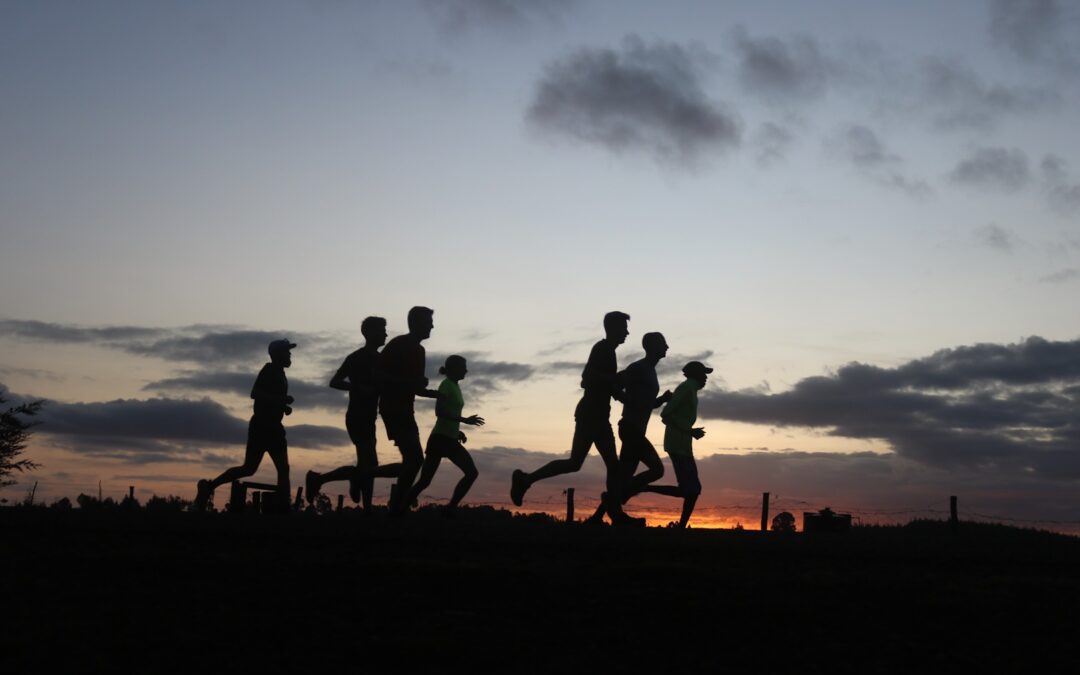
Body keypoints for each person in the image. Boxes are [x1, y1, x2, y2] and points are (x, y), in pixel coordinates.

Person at [510, 311, 641, 525]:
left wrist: (623, 394)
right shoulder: (603, 349)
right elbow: (587, 379)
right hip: (590, 416)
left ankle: (613, 514)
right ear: (613, 328)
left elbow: (603, 385)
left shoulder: (608, 351)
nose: (627, 332)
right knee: (575, 463)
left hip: (599, 416)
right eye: (624, 328)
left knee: (611, 466)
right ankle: (525, 479)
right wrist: (616, 380)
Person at [355, 306, 440, 515]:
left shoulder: (420, 351)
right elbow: (379, 377)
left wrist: (432, 393)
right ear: (417, 323)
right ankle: (393, 503)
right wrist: (412, 382)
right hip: (393, 409)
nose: (432, 326)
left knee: (413, 461)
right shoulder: (398, 344)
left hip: (406, 410)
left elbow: (415, 388)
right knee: (414, 460)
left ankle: (394, 504)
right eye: (429, 322)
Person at [306, 316, 397, 510]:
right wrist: (358, 388)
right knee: (369, 465)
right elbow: (335, 381)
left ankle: (325, 480)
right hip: (357, 417)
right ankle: (365, 505)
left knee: (367, 466)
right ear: (369, 333)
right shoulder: (356, 357)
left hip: (369, 418)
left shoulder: (382, 360)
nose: (385, 334)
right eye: (381, 330)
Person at [194, 339, 296, 511]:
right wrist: (281, 400)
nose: (290, 354)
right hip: (263, 427)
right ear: (277, 355)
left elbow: (267, 398)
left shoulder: (279, 372)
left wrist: (283, 407)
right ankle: (209, 487)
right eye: (286, 351)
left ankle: (283, 506)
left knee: (280, 468)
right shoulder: (269, 370)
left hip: (273, 427)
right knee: (251, 468)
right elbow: (255, 394)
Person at [586, 332, 672, 524]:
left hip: (636, 430)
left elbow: (646, 404)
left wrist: (662, 400)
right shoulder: (639, 368)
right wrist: (624, 398)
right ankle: (616, 498)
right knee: (657, 470)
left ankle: (598, 516)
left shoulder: (650, 370)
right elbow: (614, 383)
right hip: (630, 429)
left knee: (622, 477)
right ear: (652, 346)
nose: (667, 347)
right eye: (663, 344)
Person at [405, 355, 485, 516]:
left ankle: (447, 509)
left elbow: (450, 413)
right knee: (426, 480)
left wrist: (457, 431)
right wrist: (464, 420)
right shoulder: (446, 385)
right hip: (440, 439)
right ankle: (402, 505)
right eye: (463, 367)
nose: (466, 370)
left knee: (470, 473)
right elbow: (439, 412)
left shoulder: (455, 386)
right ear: (455, 369)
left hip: (448, 437)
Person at [641, 360, 711, 528]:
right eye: (704, 375)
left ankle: (681, 526)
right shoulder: (687, 388)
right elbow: (666, 414)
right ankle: (645, 488)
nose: (706, 378)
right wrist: (690, 430)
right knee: (692, 490)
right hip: (677, 444)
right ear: (696, 375)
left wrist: (689, 431)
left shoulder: (691, 389)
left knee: (692, 490)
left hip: (683, 445)